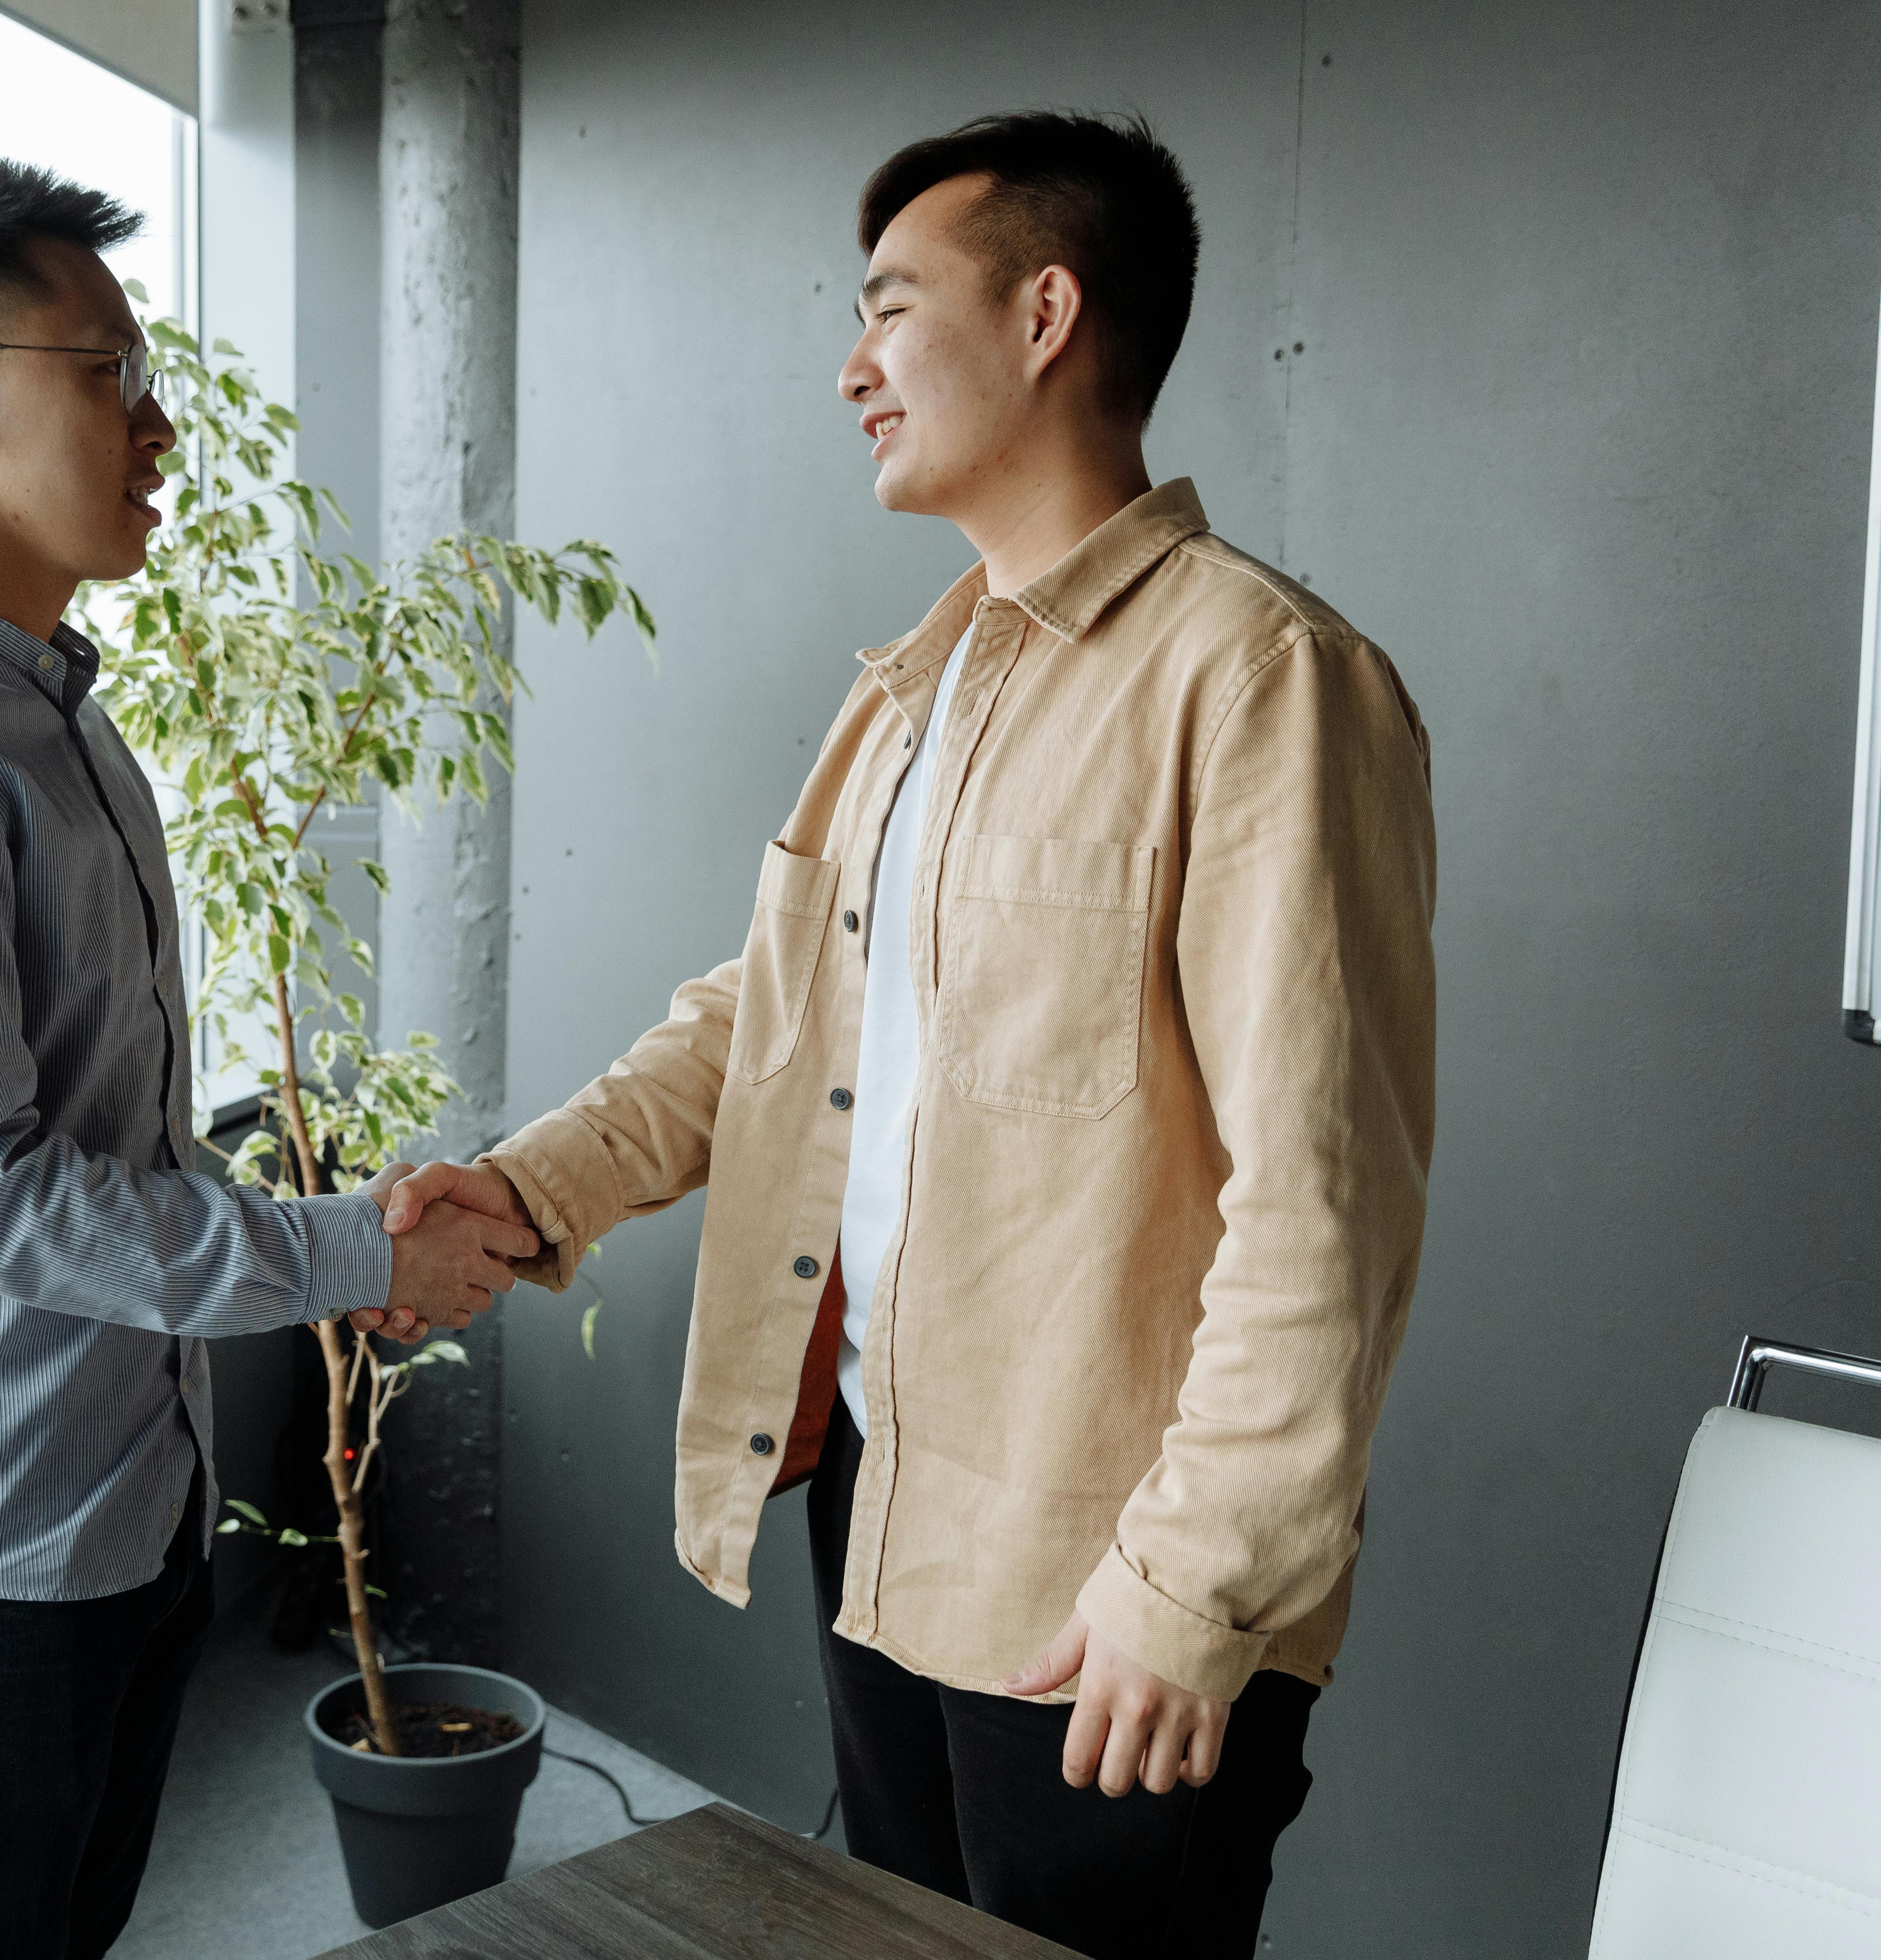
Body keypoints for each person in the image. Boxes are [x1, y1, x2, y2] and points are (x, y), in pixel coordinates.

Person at [376, 112, 1435, 1958]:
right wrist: (522, 1190)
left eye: (889, 308)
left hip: (1103, 1566)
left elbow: (1324, 1199)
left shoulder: (1262, 676)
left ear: (1045, 312)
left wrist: (1192, 1587)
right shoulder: (915, 688)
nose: (852, 366)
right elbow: (766, 1021)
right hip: (876, 1497)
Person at [0, 156, 530, 1960]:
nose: (159, 431)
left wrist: (334, 1261)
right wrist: (352, 1253)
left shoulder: (48, 709)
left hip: (117, 1507)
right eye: (109, 377)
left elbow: (119, 1138)